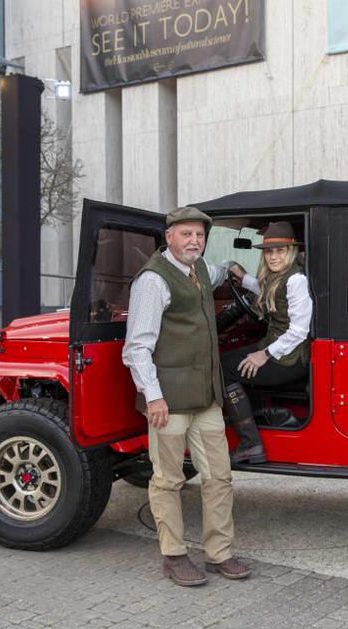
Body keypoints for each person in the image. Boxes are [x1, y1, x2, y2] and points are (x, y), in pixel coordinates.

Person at [122, 206, 250, 587]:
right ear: (169, 238)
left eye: (199, 235)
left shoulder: (199, 270)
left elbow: (218, 271)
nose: (194, 241)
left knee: (219, 477)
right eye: (186, 234)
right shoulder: (153, 281)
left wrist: (234, 269)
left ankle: (219, 553)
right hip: (169, 402)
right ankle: (174, 555)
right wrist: (154, 397)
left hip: (205, 398)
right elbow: (137, 348)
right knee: (167, 481)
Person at [223, 221, 312, 464]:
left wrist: (264, 355)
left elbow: (299, 331)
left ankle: (250, 443)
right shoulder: (279, 277)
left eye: (280, 251)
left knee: (222, 370)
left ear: (290, 251)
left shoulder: (296, 281)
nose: (273, 257)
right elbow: (265, 288)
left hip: (289, 358)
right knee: (225, 362)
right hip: (276, 348)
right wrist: (242, 278)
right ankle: (256, 417)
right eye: (269, 252)